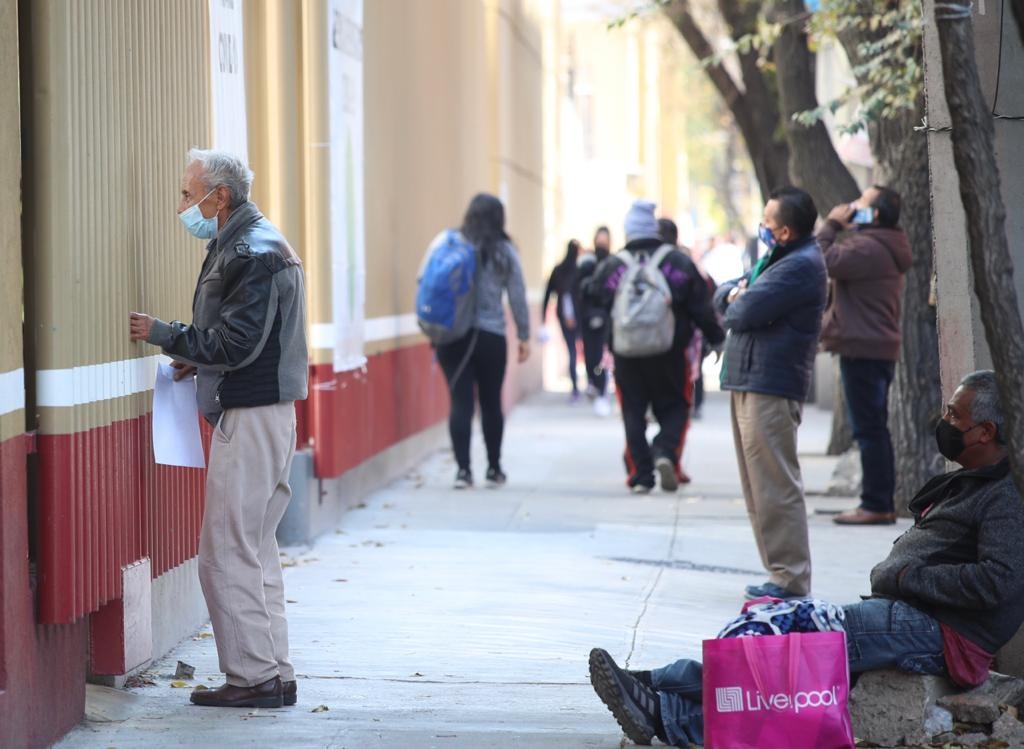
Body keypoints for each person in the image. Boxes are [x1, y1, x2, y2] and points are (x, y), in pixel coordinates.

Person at [586, 370, 1024, 748]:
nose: (944, 421)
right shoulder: (977, 482)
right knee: (782, 624)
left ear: (984, 431)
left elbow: (998, 581)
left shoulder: (1005, 497)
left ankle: (666, 713)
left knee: (799, 647)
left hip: (940, 629)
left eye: (954, 415)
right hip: (915, 614)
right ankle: (657, 685)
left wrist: (911, 577)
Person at [128, 148, 308, 709]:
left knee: (224, 552)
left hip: (250, 416)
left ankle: (252, 678)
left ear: (219, 196)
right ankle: (273, 672)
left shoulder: (250, 253)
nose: (183, 204)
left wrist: (167, 335)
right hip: (268, 413)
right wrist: (197, 358)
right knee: (255, 548)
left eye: (189, 193)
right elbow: (246, 341)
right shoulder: (254, 243)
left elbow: (235, 343)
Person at [713, 186, 827, 600]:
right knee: (757, 486)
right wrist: (737, 294)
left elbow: (741, 311)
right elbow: (725, 295)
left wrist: (739, 296)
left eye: (767, 221)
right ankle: (778, 572)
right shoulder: (777, 260)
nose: (761, 226)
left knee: (775, 485)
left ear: (783, 231)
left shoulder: (799, 266)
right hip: (749, 379)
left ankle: (790, 577)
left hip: (771, 386)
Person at [583, 200, 724, 494]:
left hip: (626, 352)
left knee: (632, 411)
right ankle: (664, 450)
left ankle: (642, 475)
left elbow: (593, 293)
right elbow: (702, 305)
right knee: (677, 406)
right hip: (669, 350)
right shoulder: (677, 262)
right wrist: (716, 337)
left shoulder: (615, 265)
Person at [819, 186, 913, 525]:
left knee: (869, 429)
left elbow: (821, 259)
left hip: (864, 348)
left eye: (860, 202)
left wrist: (831, 224)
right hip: (871, 346)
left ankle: (876, 503)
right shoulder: (881, 244)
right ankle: (878, 501)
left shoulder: (869, 248)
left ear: (873, 215)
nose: (851, 205)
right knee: (872, 427)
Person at [435, 193, 530, 490]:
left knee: (460, 402)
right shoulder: (505, 252)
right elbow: (516, 294)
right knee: (491, 403)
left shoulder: (449, 244)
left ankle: (463, 472)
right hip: (491, 337)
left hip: (452, 337)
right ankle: (494, 468)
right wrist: (524, 334)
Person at [575, 226, 613, 416]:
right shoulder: (586, 263)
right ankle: (593, 382)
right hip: (588, 316)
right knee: (590, 355)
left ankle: (601, 389)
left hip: (606, 317)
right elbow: (579, 290)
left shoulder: (613, 263)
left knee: (601, 355)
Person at [542, 239, 582, 402]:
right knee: (575, 350)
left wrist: (543, 318)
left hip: (566, 314)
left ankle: (576, 387)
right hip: (575, 314)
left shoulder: (560, 270)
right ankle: (579, 385)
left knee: (573, 350)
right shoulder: (576, 271)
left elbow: (548, 294)